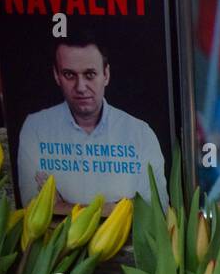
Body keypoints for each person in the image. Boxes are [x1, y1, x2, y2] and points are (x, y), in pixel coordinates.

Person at [16, 27, 167, 212]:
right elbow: (31, 207)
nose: (81, 87)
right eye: (70, 75)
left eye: (89, 75)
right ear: (57, 76)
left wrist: (62, 205)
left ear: (106, 75)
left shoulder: (140, 133)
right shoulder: (36, 128)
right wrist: (119, 208)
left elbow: (156, 209)